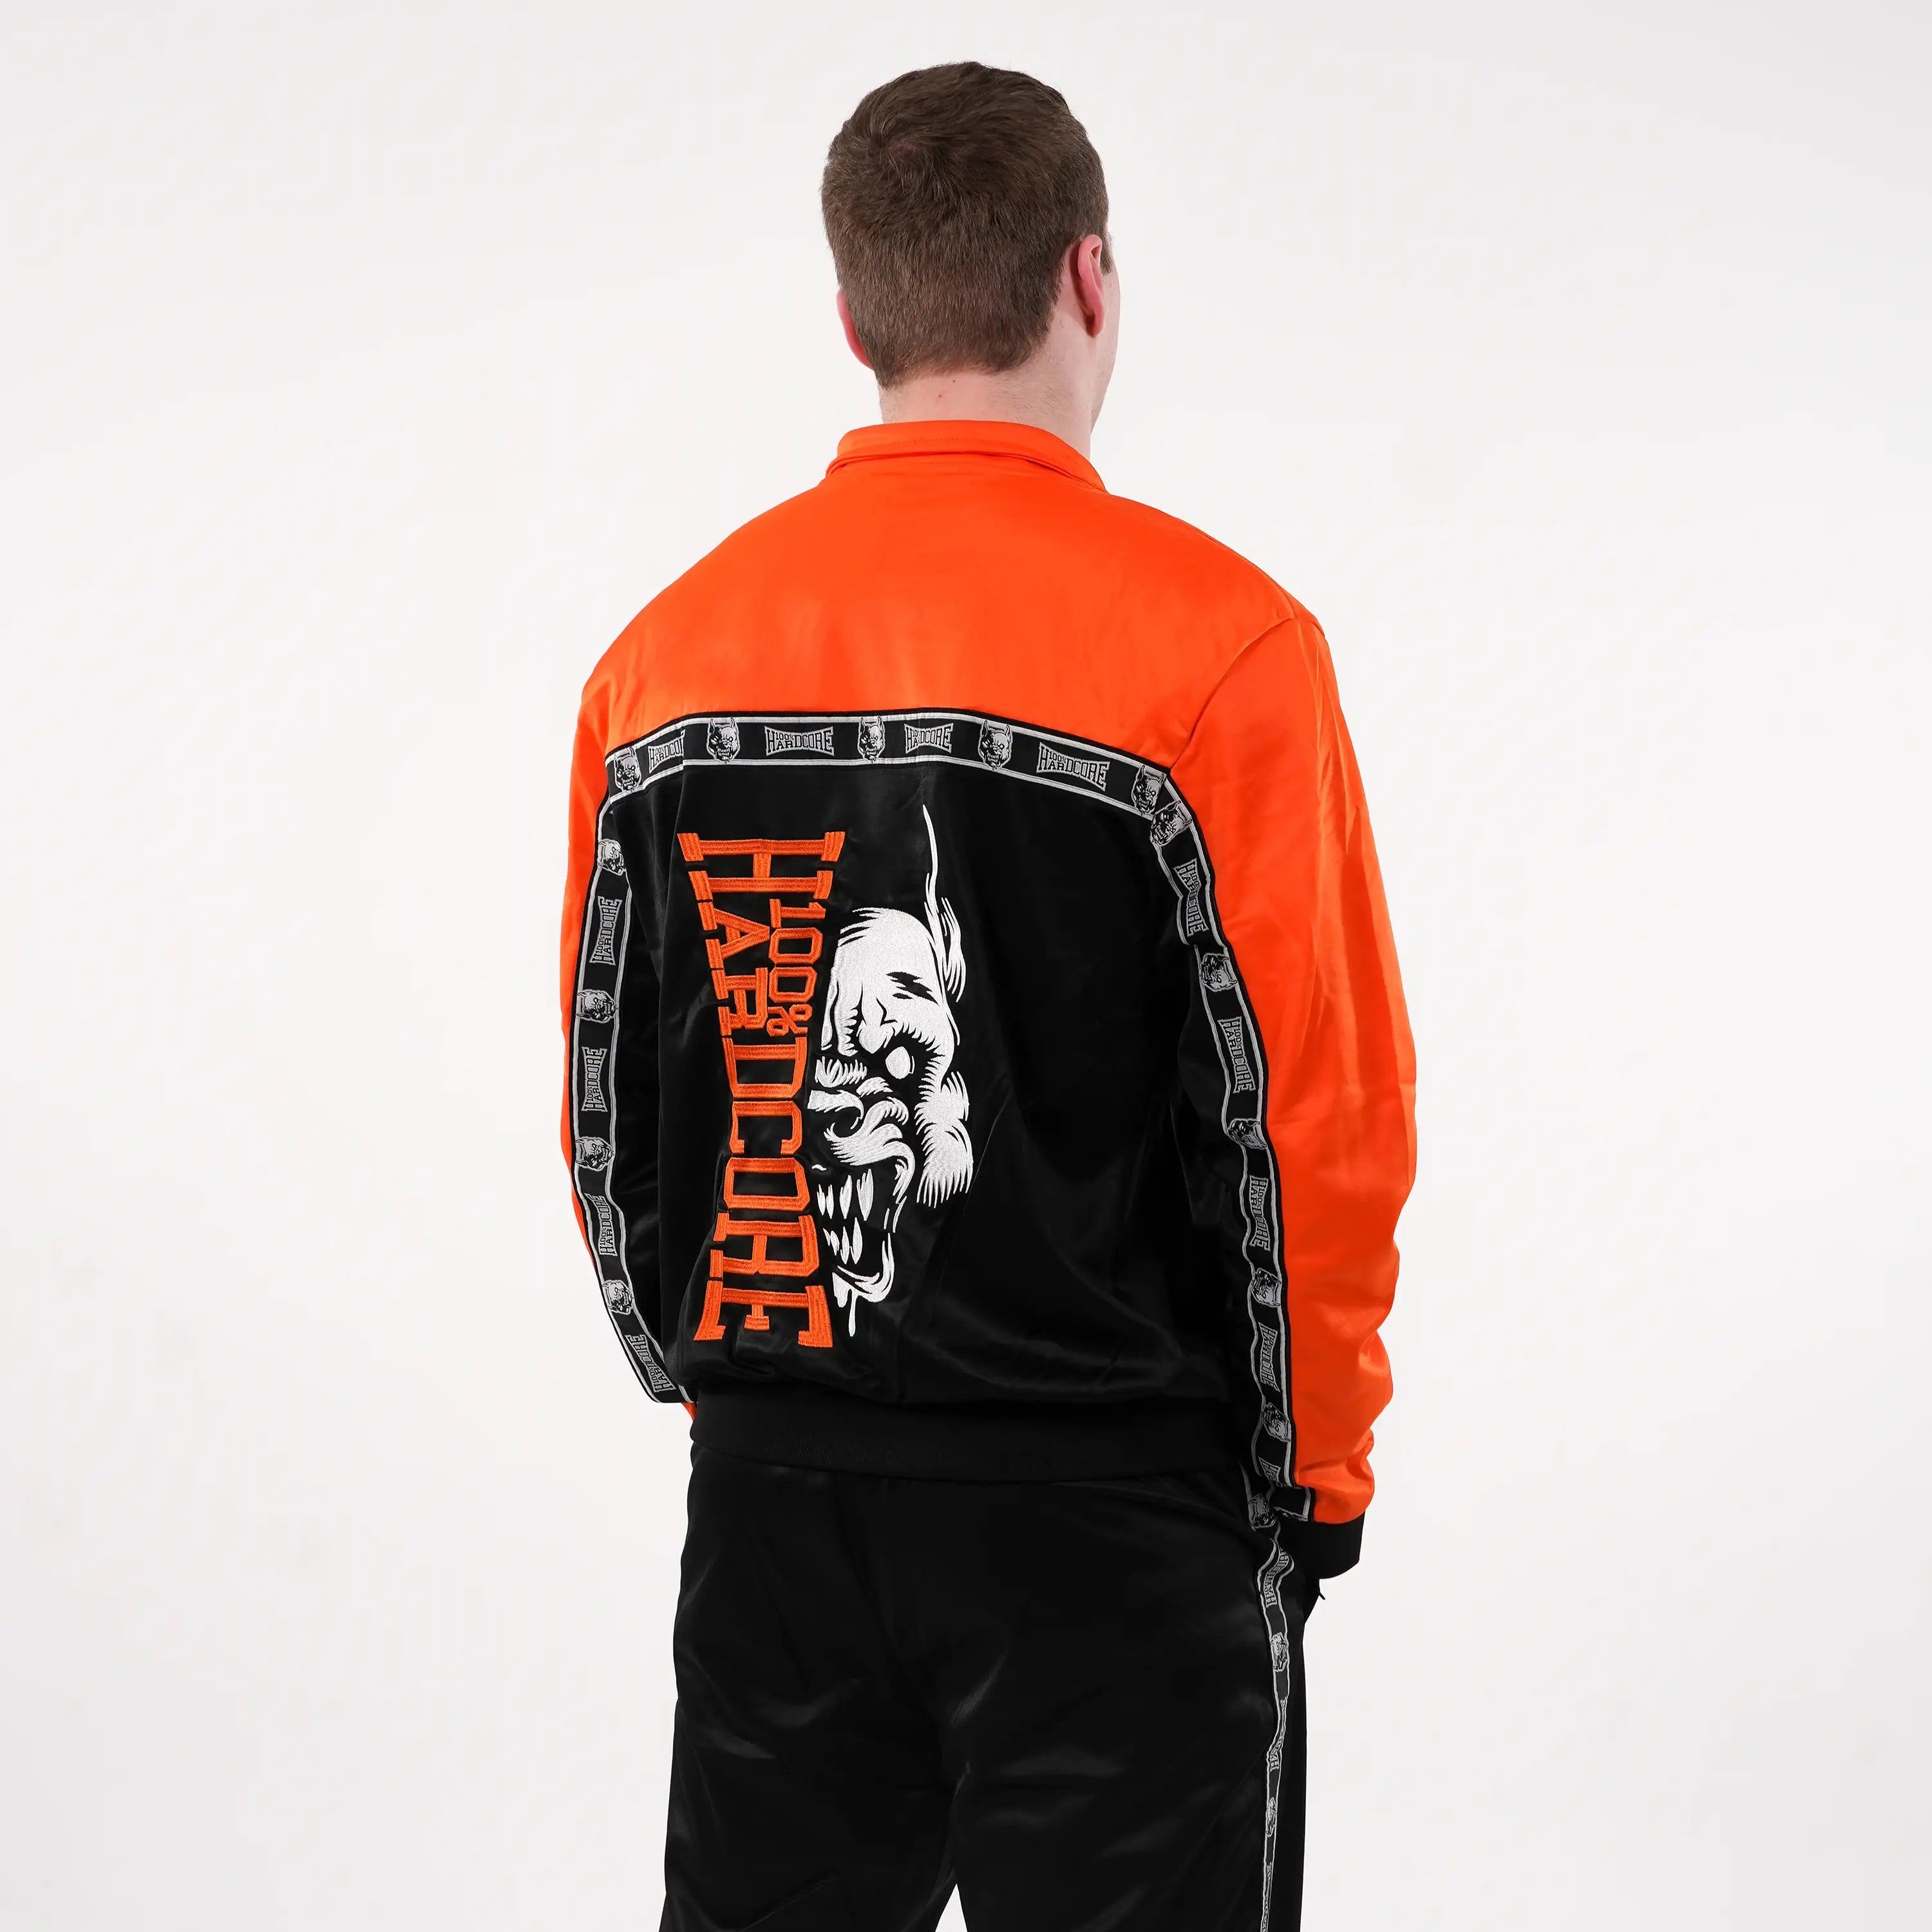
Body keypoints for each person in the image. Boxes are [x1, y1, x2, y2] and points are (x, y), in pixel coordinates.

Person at [559, 61, 1416, 1932]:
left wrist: (734, 1387)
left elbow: (613, 1108)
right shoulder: (1227, 651)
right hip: (1114, 1516)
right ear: (1089, 277)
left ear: (853, 311)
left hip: (782, 1499)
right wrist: (1316, 1475)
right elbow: (1313, 1124)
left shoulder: (662, 665)